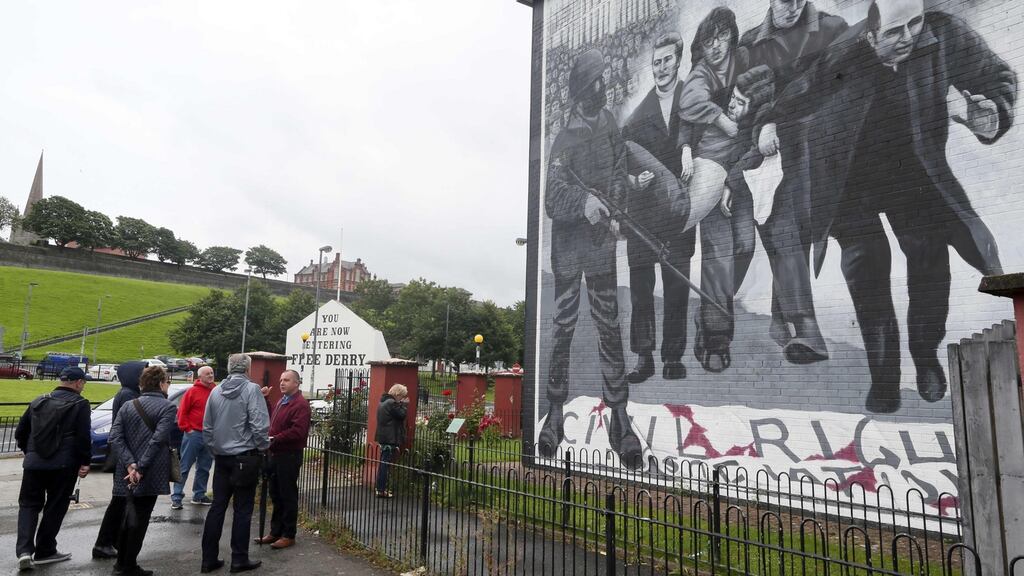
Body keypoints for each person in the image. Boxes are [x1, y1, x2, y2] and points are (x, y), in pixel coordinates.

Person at [755, 0, 1015, 412]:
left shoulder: (943, 34)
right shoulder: (845, 51)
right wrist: (768, 121)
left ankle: (926, 354)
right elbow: (798, 93)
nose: (909, 37)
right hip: (848, 179)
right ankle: (885, 378)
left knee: (929, 261)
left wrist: (992, 114)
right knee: (867, 266)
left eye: (914, 24)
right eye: (895, 32)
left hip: (911, 173)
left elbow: (999, 75)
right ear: (871, 35)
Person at [538, 47, 643, 469]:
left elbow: (618, 173)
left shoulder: (610, 126)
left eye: (604, 78)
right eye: (597, 80)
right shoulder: (565, 140)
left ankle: (619, 417)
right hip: (568, 253)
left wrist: (615, 210)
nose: (604, 85)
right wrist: (583, 203)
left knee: (609, 328)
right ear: (584, 88)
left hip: (600, 248)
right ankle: (555, 413)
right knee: (562, 330)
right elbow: (552, 198)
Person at [729, 0, 848, 364]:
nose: (793, 6)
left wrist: (773, 119)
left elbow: (840, 92)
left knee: (790, 231)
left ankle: (793, 324)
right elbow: (738, 109)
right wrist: (758, 132)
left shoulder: (831, 30)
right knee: (780, 234)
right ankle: (796, 326)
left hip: (816, 155)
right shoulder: (749, 46)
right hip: (767, 157)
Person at [620, 32, 696, 384]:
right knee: (641, 290)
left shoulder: (693, 102)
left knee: (677, 286)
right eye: (657, 62)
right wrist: (635, 183)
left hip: (679, 215)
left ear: (678, 60)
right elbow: (619, 169)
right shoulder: (636, 119)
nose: (662, 67)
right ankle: (644, 357)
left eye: (667, 60)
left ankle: (673, 357)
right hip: (642, 217)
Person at [14, 366, 92, 571]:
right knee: (55, 506)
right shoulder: (81, 404)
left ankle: (23, 551)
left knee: (29, 505)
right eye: (83, 383)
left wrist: (29, 452)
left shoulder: (39, 401)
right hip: (64, 464)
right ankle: (45, 549)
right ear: (77, 382)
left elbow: (21, 432)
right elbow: (83, 437)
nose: (83, 387)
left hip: (33, 463)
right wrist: (85, 461)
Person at [200, 354, 270, 573]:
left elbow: (207, 427)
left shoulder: (215, 391)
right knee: (242, 509)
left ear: (229, 368)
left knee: (217, 507)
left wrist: (215, 449)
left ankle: (208, 559)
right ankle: (239, 558)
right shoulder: (252, 390)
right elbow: (259, 424)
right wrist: (263, 446)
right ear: (248, 368)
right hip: (245, 457)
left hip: (222, 458)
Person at [108, 365, 177, 576]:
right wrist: (140, 466)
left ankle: (121, 563)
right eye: (167, 381)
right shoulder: (167, 407)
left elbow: (115, 437)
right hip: (150, 471)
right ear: (161, 383)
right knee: (141, 518)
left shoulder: (128, 405)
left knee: (126, 517)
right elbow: (158, 440)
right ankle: (129, 565)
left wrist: (129, 463)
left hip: (125, 471)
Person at [93, 361, 148, 561]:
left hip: (126, 453)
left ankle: (111, 541)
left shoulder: (128, 392)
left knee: (121, 501)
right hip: (127, 455)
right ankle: (104, 543)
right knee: (119, 501)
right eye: (142, 372)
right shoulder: (128, 394)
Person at [255, 369, 311, 549]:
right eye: (281, 379)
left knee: (287, 494)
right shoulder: (282, 400)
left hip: (289, 455)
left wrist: (275, 438)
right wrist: (265, 400)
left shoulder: (300, 404)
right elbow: (273, 420)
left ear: (296, 383)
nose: (282, 383)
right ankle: (275, 531)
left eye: (286, 380)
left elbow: (298, 431)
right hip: (275, 453)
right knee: (276, 493)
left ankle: (289, 534)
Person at [171, 365, 215, 510]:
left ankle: (199, 495)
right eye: (207, 373)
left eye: (212, 373)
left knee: (204, 467)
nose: (210, 375)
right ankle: (177, 497)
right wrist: (187, 429)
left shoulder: (216, 391)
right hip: (193, 434)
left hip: (209, 435)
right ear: (200, 377)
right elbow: (182, 413)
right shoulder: (192, 392)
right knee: (184, 467)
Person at [373, 384, 408, 498]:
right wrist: (404, 404)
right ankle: (381, 489)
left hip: (383, 436)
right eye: (402, 396)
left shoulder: (382, 402)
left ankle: (380, 488)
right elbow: (401, 415)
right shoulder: (391, 403)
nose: (402, 399)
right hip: (390, 438)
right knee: (385, 464)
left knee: (384, 462)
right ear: (397, 394)